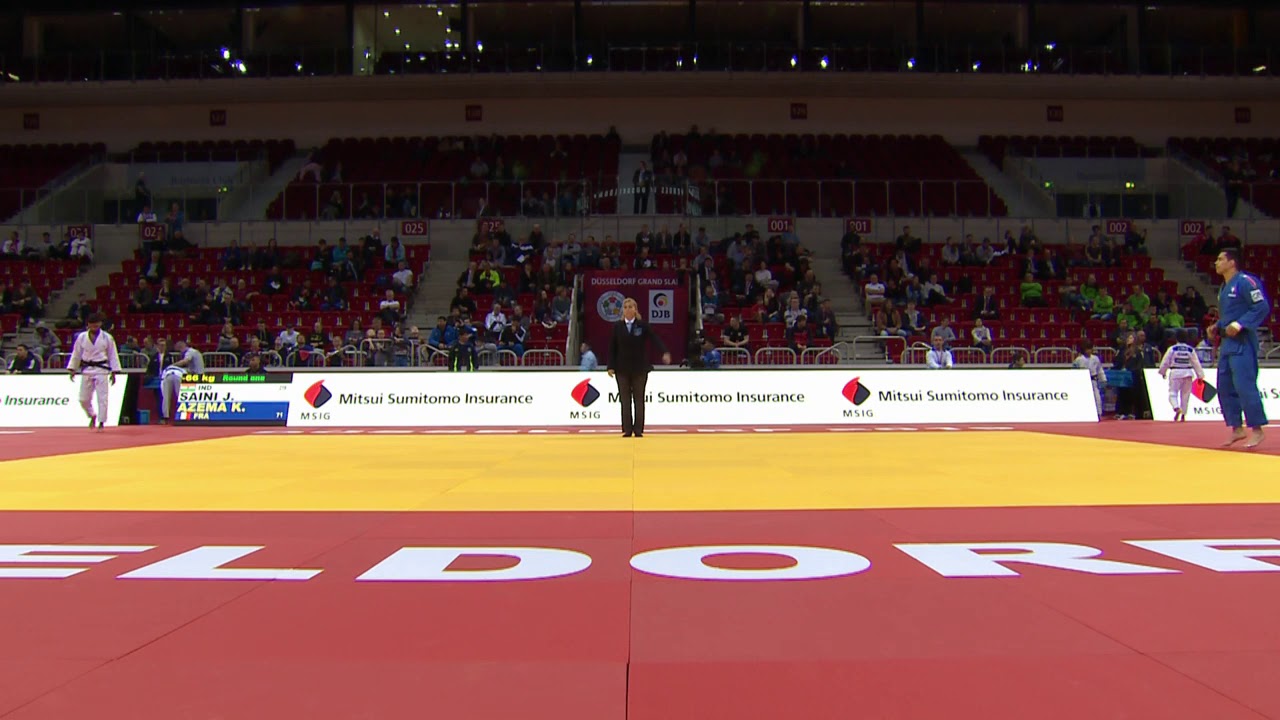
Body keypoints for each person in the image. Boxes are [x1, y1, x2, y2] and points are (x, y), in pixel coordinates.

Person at [1208, 248, 1269, 447]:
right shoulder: (1224, 287)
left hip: (1242, 341)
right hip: (1227, 343)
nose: (1216, 263)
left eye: (1220, 259)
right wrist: (1217, 326)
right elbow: (1229, 315)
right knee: (1224, 387)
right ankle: (1237, 428)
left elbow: (1261, 307)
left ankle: (1257, 429)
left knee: (1244, 386)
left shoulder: (1245, 281)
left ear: (1232, 262)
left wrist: (1241, 323)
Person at [607, 297, 671, 437]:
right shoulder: (617, 327)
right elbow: (613, 347)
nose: (628, 309)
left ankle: (638, 429)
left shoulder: (642, 325)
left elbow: (655, 338)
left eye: (631, 306)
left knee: (639, 399)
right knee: (624, 400)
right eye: (625, 307)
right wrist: (610, 366)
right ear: (622, 310)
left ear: (635, 309)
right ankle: (627, 429)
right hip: (622, 368)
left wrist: (664, 351)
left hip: (639, 368)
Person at [66, 313, 122, 431]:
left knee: (102, 397)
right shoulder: (81, 337)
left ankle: (101, 422)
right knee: (83, 399)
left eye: (96, 325)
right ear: (88, 325)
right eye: (92, 325)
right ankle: (92, 415)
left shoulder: (107, 337)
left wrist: (114, 371)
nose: (94, 327)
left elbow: (112, 354)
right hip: (87, 369)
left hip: (102, 369)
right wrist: (72, 369)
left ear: (100, 324)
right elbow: (76, 354)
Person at [1158, 329, 1205, 423]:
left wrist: (1163, 372)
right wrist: (1200, 376)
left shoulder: (1172, 349)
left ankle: (1176, 408)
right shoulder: (1190, 349)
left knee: (1173, 393)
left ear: (1176, 338)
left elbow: (1165, 361)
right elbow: (1196, 363)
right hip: (1188, 372)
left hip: (1175, 372)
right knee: (1185, 395)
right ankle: (1183, 414)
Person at [159, 339, 206, 425]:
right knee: (181, 396)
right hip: (195, 375)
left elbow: (185, 361)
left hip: (195, 376)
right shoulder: (196, 352)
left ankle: (174, 416)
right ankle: (182, 416)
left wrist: (172, 365)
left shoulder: (189, 352)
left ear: (181, 346)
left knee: (179, 396)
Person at [1073, 340, 1107, 418]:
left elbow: (1100, 370)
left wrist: (1103, 379)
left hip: (1093, 379)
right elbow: (1074, 370)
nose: (1089, 351)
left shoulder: (1095, 358)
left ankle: (1099, 413)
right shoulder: (1079, 359)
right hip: (1083, 381)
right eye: (1087, 349)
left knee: (1097, 396)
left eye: (1090, 349)